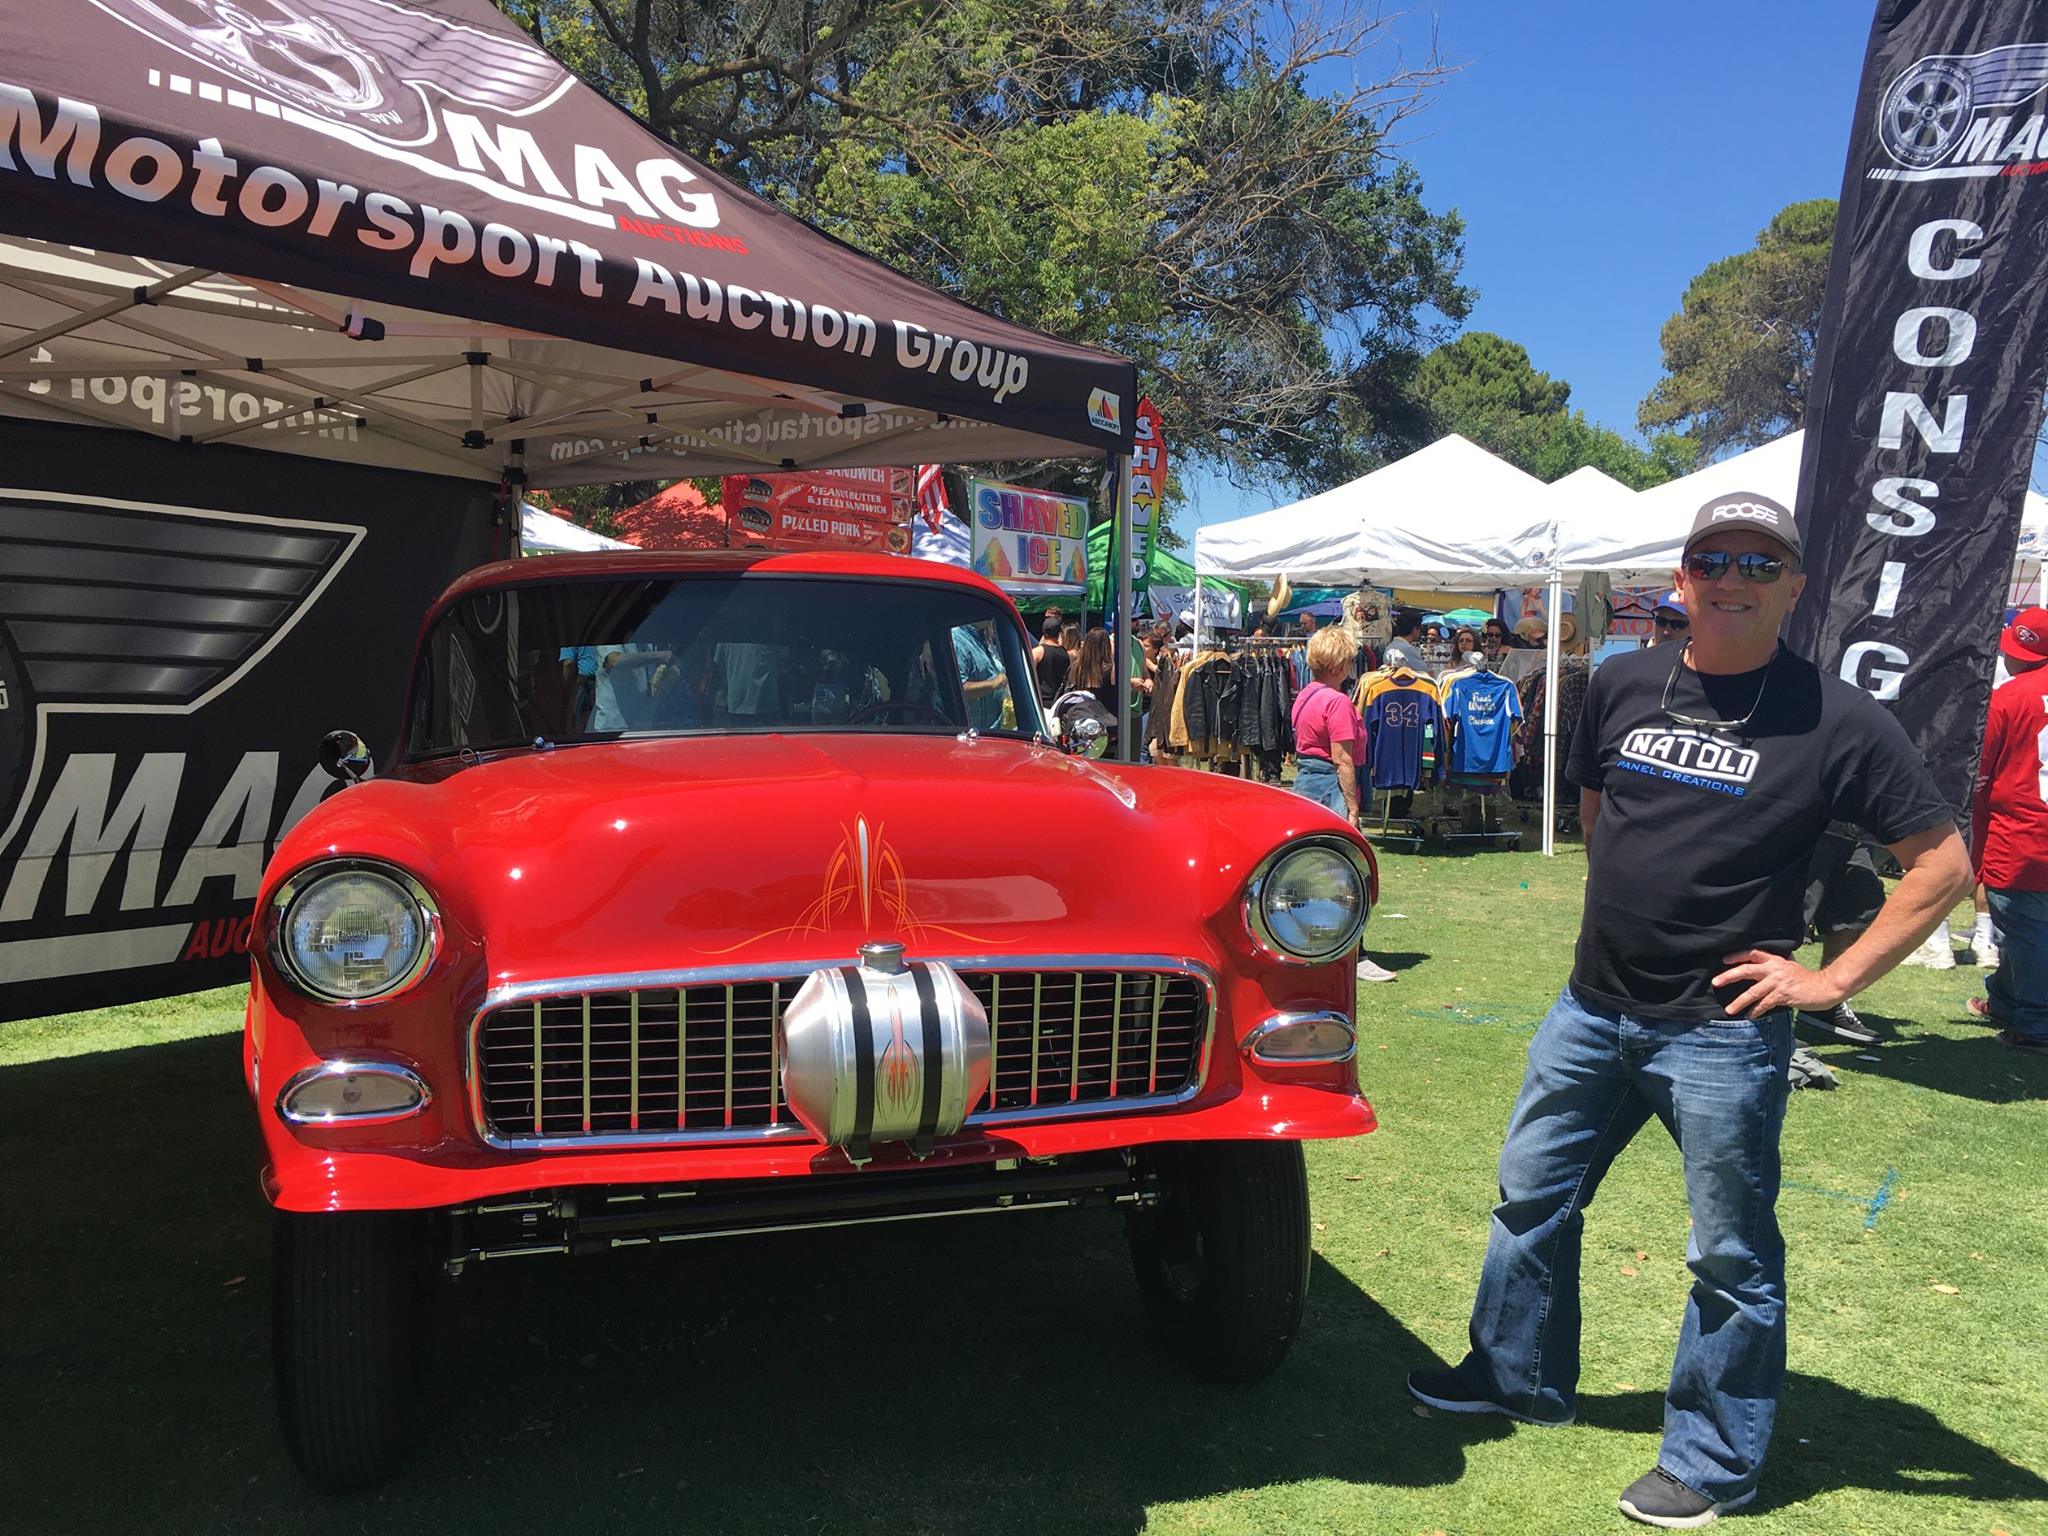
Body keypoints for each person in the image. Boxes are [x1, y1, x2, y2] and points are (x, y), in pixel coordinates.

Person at [1407, 489, 1970, 1529]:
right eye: (1712, 560)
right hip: (1590, 1010)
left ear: (1795, 586)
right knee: (1529, 1202)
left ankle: (1710, 1460)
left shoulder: (1838, 718)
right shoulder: (1621, 682)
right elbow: (1597, 812)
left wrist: (1831, 982)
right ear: (1681, 578)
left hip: (1719, 1034)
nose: (1731, 580)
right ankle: (1515, 1378)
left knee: (1729, 1255)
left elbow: (1941, 865)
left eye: (1759, 564)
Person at [1967, 607, 2048, 1050]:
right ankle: (2004, 999)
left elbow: (1978, 774)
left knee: (2023, 931)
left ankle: (2035, 1023)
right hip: (2031, 828)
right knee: (2026, 928)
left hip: (2021, 833)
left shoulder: (2008, 697)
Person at [1289, 627, 1363, 825]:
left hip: (1305, 782)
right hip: (1331, 788)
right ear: (1338, 665)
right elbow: (1342, 760)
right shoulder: (1338, 702)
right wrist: (1353, 808)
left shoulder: (1305, 695)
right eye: (1349, 661)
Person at [1032, 611, 1071, 708]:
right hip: (1058, 701)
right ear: (1059, 633)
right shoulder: (1065, 653)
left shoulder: (1038, 652)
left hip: (1040, 700)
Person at [1384, 608, 1429, 674]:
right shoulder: (1408, 649)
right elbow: (1426, 673)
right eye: (1420, 628)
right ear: (1415, 629)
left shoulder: (1389, 647)